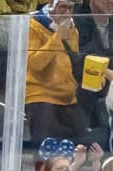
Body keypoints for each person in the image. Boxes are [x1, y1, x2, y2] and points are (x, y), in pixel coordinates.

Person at [24, 0, 86, 147]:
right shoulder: (33, 25)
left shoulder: (72, 29)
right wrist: (57, 37)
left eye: (71, 8)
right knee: (46, 152)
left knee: (74, 149)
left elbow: (72, 61)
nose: (67, 13)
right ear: (51, 5)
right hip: (41, 95)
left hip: (67, 96)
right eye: (63, 7)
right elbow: (35, 64)